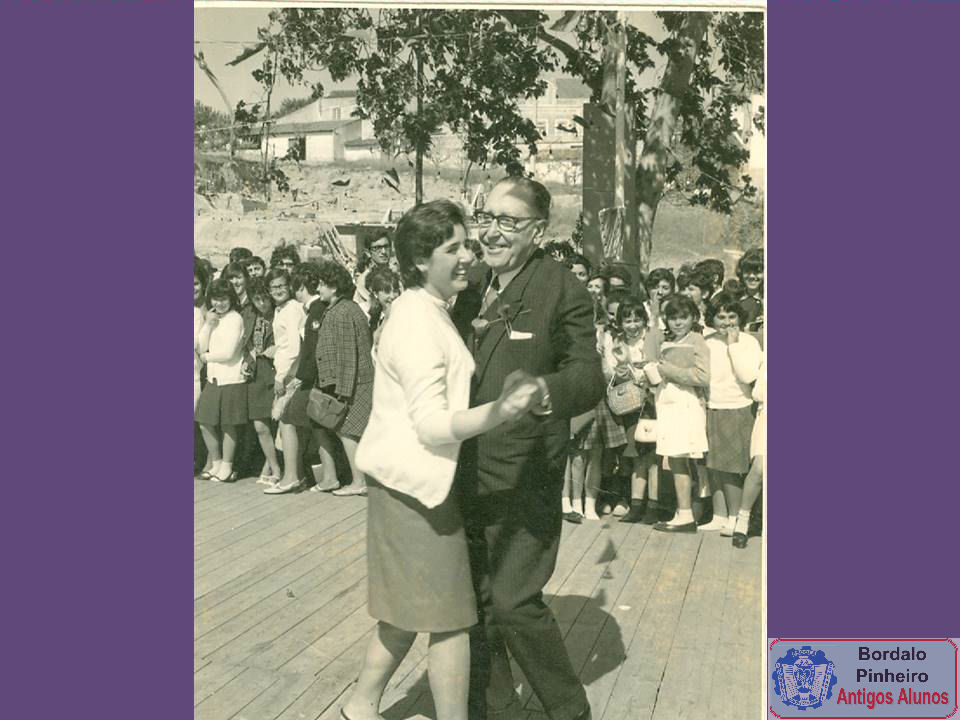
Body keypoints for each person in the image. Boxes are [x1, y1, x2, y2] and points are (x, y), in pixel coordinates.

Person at [343, 200, 539, 720]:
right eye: (453, 248)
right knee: (450, 620)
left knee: (407, 613)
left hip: (413, 486)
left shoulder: (427, 310)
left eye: (466, 245)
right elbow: (431, 425)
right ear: (419, 260)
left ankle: (359, 706)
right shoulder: (416, 321)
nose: (467, 256)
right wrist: (501, 410)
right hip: (414, 491)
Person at [452, 177, 604, 720]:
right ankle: (496, 707)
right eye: (486, 217)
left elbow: (588, 376)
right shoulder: (468, 284)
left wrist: (545, 390)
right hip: (463, 467)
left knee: (514, 601)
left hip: (524, 469)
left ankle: (568, 709)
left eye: (508, 221)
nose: (491, 232)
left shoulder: (562, 288)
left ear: (538, 231)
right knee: (476, 600)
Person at [265, 263, 335, 494]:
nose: (278, 290)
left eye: (283, 286)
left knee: (288, 420)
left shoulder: (294, 309)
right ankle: (307, 475)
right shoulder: (283, 309)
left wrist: (284, 377)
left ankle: (292, 477)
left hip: (294, 374)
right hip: (292, 372)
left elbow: (296, 348)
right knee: (307, 425)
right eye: (273, 287)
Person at [645, 294, 710, 533]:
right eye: (673, 318)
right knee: (674, 459)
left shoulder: (697, 341)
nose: (678, 322)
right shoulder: (667, 341)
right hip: (668, 404)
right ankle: (683, 513)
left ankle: (686, 515)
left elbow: (703, 376)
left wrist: (669, 371)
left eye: (683, 317)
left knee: (680, 458)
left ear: (693, 317)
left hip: (686, 405)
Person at [701, 293, 763, 534]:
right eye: (721, 317)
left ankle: (735, 517)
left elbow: (748, 376)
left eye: (732, 316)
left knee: (731, 467)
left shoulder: (748, 342)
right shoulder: (707, 342)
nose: (726, 322)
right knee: (714, 465)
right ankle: (719, 515)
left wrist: (733, 345)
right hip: (712, 406)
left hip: (737, 408)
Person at [313, 260, 375, 497]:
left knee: (347, 430)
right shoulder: (343, 308)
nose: (318, 289)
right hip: (355, 382)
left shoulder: (342, 312)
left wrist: (343, 392)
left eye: (322, 284)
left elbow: (348, 355)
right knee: (348, 430)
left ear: (334, 287)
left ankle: (360, 482)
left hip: (356, 384)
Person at [195, 278, 248, 483]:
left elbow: (228, 353)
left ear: (231, 299)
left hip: (231, 378)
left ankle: (227, 465)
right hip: (214, 378)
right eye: (216, 299)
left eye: (224, 299)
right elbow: (200, 345)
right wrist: (208, 325)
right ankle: (216, 462)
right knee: (204, 421)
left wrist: (206, 357)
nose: (220, 303)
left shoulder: (235, 319)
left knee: (228, 425)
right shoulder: (213, 317)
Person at [245, 277, 283, 484]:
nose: (261, 303)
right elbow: (244, 343)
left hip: (275, 371)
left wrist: (278, 349)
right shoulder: (249, 315)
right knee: (260, 425)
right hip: (256, 373)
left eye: (264, 298)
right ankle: (273, 466)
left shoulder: (280, 313)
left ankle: (271, 467)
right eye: (256, 299)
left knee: (277, 423)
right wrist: (247, 358)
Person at [354, 230, 394, 318]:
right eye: (377, 248)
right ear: (368, 253)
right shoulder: (364, 280)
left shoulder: (396, 274)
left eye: (386, 247)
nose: (383, 252)